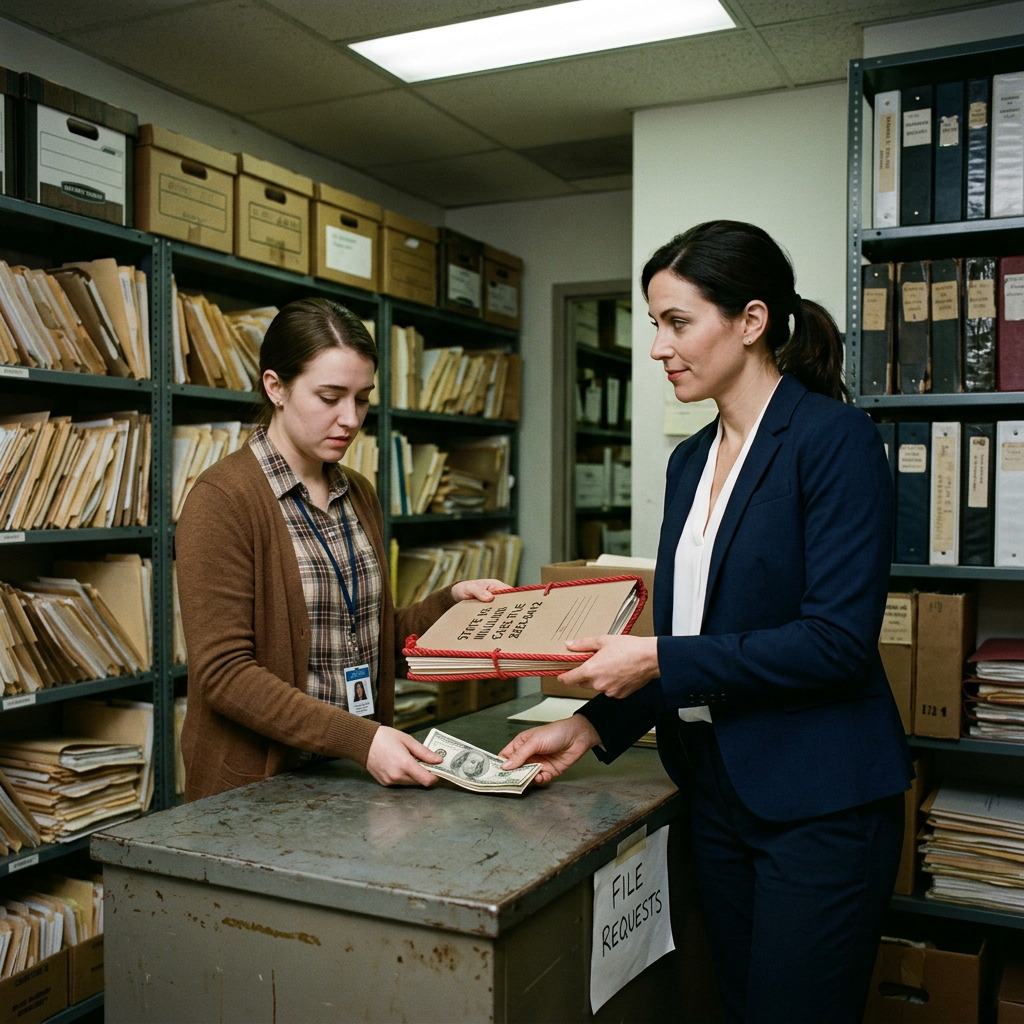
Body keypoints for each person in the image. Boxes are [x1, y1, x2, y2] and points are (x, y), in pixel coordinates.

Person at [501, 221, 914, 1024]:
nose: (657, 347)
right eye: (655, 323)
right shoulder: (690, 459)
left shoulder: (835, 442)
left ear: (751, 321)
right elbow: (693, 633)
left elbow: (835, 643)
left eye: (676, 322)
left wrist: (652, 661)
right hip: (717, 790)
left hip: (820, 803)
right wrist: (590, 726)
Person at [177, 298, 506, 802]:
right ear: (275, 387)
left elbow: (367, 637)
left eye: (362, 398)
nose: (350, 419)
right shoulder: (223, 500)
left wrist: (450, 603)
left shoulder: (358, 492)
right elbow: (224, 675)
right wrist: (362, 739)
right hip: (258, 792)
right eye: (330, 397)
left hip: (353, 775)